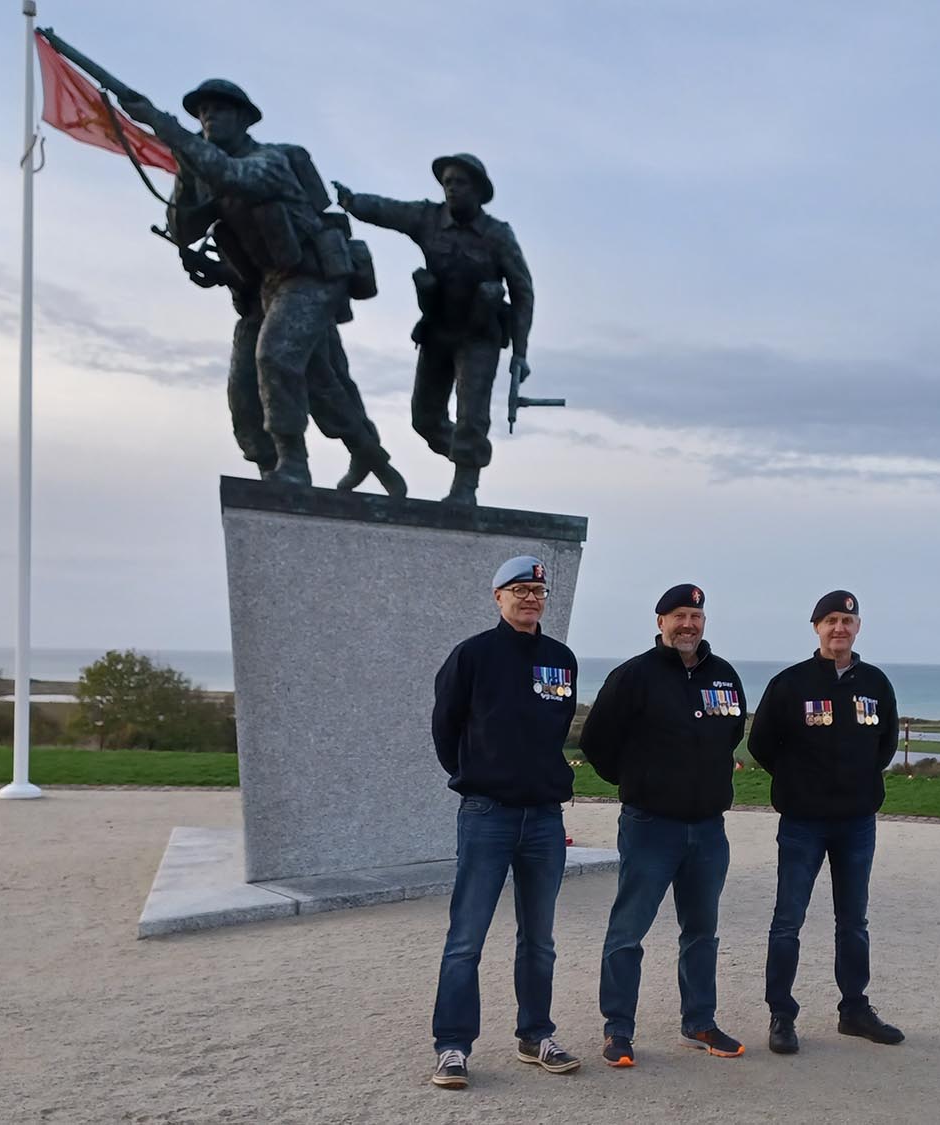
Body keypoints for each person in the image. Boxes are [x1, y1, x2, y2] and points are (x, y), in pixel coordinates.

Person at [122, 80, 403, 493]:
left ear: (242, 118)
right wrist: (184, 161)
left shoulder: (271, 160)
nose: (207, 118)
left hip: (311, 277)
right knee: (252, 391)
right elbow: (182, 228)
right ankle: (306, 466)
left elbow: (235, 177)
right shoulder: (203, 168)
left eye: (218, 109)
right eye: (201, 113)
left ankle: (294, 464)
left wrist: (164, 127)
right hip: (263, 291)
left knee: (276, 358)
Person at [426, 555, 581, 1089]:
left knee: (539, 938)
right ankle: (452, 1046)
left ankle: (536, 1035)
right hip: (487, 815)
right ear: (498, 597)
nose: (530, 597)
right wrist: (478, 774)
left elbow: (557, 723)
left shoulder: (561, 660)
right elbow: (445, 729)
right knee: (466, 938)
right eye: (519, 589)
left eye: (538, 590)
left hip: (543, 819)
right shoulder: (472, 656)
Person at [580, 583, 748, 1067]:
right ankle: (618, 1030)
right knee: (628, 931)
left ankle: (699, 1022)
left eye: (695, 616)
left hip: (708, 829)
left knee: (701, 931)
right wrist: (637, 779)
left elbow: (730, 732)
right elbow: (596, 742)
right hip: (650, 825)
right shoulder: (634, 675)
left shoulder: (724, 676)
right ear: (660, 623)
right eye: (678, 616)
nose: (688, 625)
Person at [746, 589, 907, 1055]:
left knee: (853, 921)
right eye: (831, 620)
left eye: (848, 621)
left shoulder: (875, 684)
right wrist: (799, 780)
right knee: (787, 921)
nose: (839, 628)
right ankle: (781, 1014)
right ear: (816, 627)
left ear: (858, 629)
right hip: (803, 822)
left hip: (856, 822)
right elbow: (761, 745)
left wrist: (852, 782)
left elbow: (885, 745)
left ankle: (854, 1010)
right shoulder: (790, 684)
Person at [332, 154, 534, 504]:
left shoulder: (497, 235)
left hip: (479, 334)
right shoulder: (427, 218)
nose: (452, 189)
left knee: (471, 415)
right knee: (424, 418)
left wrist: (520, 352)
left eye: (461, 183)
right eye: (448, 182)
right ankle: (468, 455)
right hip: (438, 328)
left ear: (479, 191)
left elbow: (522, 291)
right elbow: (388, 211)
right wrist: (353, 203)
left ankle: (465, 486)